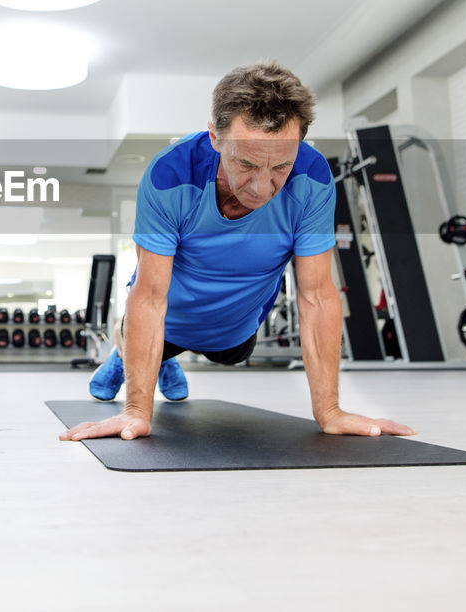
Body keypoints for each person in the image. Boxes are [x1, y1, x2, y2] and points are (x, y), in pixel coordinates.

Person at [61, 62, 414, 444]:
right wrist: (137, 411)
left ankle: (157, 359)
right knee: (139, 330)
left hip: (233, 329)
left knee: (230, 353)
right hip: (168, 316)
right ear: (214, 136)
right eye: (245, 163)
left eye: (281, 166)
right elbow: (148, 298)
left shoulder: (312, 180)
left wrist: (329, 411)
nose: (262, 188)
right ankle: (130, 358)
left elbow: (316, 295)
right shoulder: (171, 174)